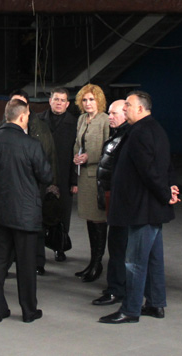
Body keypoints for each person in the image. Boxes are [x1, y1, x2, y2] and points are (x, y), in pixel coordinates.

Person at [99, 91, 180, 324]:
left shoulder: (140, 133)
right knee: (153, 260)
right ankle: (155, 303)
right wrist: (169, 189)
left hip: (142, 209)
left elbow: (149, 172)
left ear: (141, 109)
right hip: (151, 208)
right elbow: (165, 165)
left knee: (134, 262)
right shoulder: (154, 129)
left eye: (128, 105)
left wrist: (166, 193)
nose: (124, 108)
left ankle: (130, 310)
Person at [0, 99, 52, 323]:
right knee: (26, 265)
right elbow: (46, 176)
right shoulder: (31, 145)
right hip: (26, 215)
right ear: (22, 117)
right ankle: (28, 311)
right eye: (27, 115)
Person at [0, 90, 58, 275]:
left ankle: (37, 262)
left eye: (21, 103)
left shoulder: (40, 128)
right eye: (14, 102)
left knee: (35, 227)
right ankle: (8, 264)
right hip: (8, 188)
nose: (18, 106)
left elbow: (50, 156)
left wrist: (53, 184)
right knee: (8, 230)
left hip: (34, 188)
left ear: (28, 107)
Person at [91, 99, 129, 306]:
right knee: (116, 246)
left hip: (120, 201)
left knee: (119, 247)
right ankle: (115, 287)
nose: (110, 117)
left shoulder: (127, 137)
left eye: (114, 113)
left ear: (126, 113)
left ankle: (117, 290)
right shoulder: (117, 134)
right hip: (112, 199)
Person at [71, 84, 110, 282]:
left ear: (99, 101)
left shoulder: (105, 120)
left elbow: (108, 149)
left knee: (98, 219)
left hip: (98, 177)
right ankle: (92, 261)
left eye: (91, 99)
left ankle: (98, 263)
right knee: (89, 219)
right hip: (83, 176)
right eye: (85, 100)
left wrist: (89, 157)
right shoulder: (81, 119)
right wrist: (76, 157)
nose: (88, 103)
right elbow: (77, 144)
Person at [37, 88, 77, 262]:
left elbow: (76, 153)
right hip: (41, 176)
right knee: (39, 214)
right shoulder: (38, 120)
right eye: (56, 99)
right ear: (50, 101)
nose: (59, 103)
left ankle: (59, 247)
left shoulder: (74, 123)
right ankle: (39, 254)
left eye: (62, 100)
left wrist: (74, 181)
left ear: (67, 104)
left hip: (64, 176)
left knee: (62, 215)